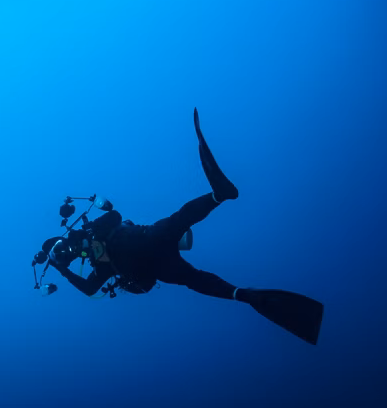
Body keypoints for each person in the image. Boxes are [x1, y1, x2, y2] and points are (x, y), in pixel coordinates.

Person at [45, 108, 324, 345]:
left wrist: (92, 230)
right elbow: (91, 289)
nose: (68, 250)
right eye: (62, 254)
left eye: (61, 246)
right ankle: (242, 294)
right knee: (193, 277)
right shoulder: (99, 268)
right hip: (153, 266)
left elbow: (115, 216)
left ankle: (219, 194)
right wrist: (62, 270)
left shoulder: (91, 231)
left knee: (180, 224)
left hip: (144, 241)